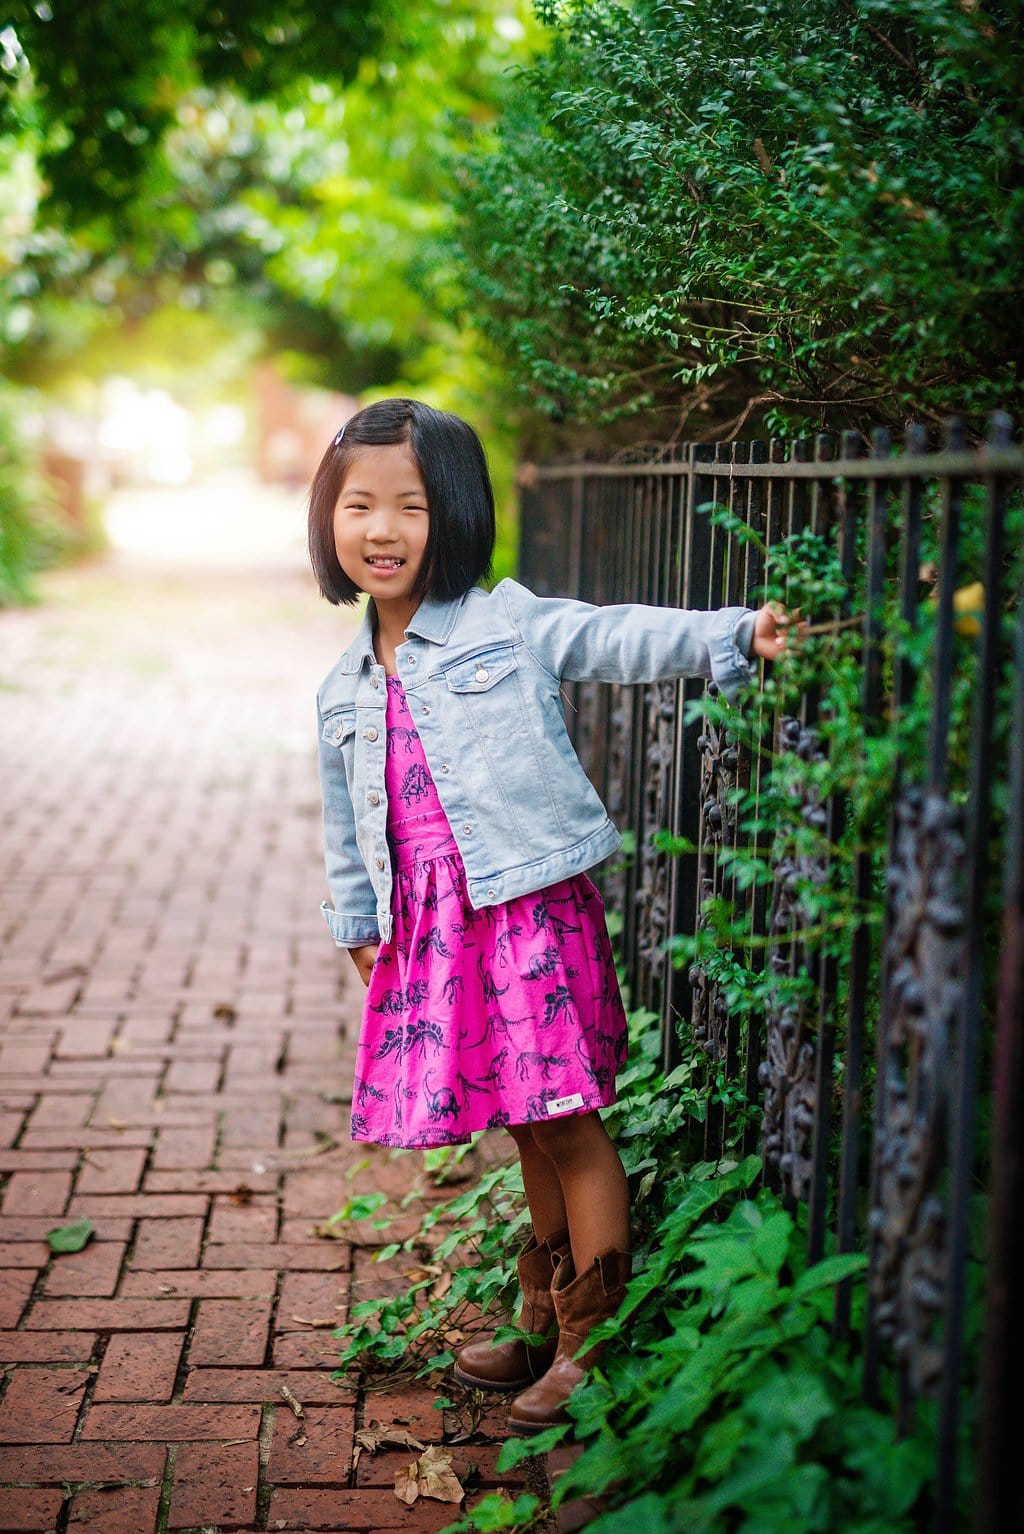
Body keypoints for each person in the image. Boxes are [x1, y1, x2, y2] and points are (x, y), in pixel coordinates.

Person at [308, 397, 791, 1435]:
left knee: (565, 1118)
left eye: (411, 505)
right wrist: (359, 920)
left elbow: (608, 635)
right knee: (519, 1122)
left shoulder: (502, 622)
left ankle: (592, 1340)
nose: (382, 529)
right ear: (328, 521)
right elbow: (348, 823)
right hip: (436, 928)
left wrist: (735, 631)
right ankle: (539, 1312)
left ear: (459, 516)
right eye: (358, 506)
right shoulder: (340, 684)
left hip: (523, 911)